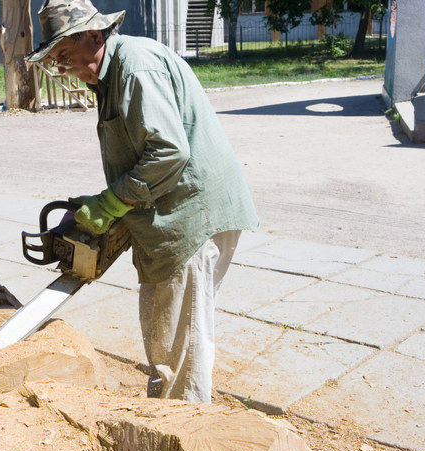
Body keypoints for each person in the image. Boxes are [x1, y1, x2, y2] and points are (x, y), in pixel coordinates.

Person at [25, 0, 259, 404]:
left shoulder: (135, 67)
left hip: (189, 217)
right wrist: (102, 202)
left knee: (179, 351)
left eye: (64, 55)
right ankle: (173, 423)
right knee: (167, 330)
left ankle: (182, 437)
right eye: (56, 59)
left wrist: (112, 203)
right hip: (170, 214)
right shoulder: (111, 74)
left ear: (94, 36)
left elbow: (168, 152)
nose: (63, 67)